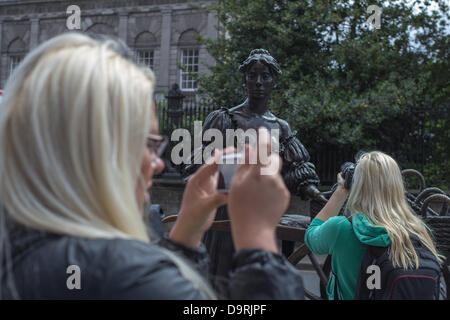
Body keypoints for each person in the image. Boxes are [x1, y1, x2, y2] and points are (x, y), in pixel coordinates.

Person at [0, 33, 304, 299]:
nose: (159, 163)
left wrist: (185, 237)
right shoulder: (128, 275)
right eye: (148, 144)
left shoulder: (19, 250)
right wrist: (259, 240)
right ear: (94, 151)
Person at [183, 49, 325, 291]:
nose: (258, 82)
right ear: (244, 80)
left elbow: (297, 170)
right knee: (220, 281)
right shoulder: (223, 119)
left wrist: (314, 192)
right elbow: (199, 164)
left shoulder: (281, 126)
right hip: (225, 213)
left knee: (256, 283)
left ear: (274, 81)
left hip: (262, 214)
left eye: (265, 76)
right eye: (252, 76)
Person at [304, 151, 443, 300]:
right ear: (397, 185)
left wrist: (341, 191)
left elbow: (311, 236)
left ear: (357, 185)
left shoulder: (342, 229)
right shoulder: (419, 230)